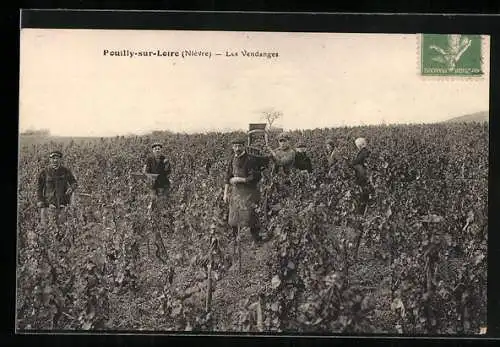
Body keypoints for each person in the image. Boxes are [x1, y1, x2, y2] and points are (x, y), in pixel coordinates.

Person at [224, 137, 263, 244]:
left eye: (239, 146)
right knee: (233, 216)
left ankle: (256, 238)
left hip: (249, 192)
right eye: (235, 146)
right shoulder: (232, 159)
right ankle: (235, 238)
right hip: (236, 192)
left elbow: (255, 177)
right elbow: (227, 177)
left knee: (251, 216)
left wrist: (239, 179)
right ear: (232, 147)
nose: (237, 148)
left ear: (243, 146)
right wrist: (225, 193)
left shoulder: (250, 160)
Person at [37, 150, 78, 228]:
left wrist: (71, 188)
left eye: (57, 158)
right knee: (46, 228)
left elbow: (74, 182)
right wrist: (40, 201)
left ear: (60, 160)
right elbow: (39, 188)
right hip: (48, 205)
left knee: (62, 227)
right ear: (50, 160)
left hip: (63, 204)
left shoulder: (65, 171)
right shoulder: (44, 172)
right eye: (53, 158)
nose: (55, 160)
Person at [143, 142, 172, 212]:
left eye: (159, 149)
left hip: (162, 182)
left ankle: (162, 213)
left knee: (162, 200)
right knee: (153, 199)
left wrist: (166, 166)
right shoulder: (149, 159)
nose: (157, 150)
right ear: (153, 151)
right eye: (155, 149)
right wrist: (149, 177)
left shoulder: (165, 159)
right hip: (152, 183)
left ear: (161, 150)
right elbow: (145, 171)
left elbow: (168, 172)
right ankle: (151, 213)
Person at [350, 137, 373, 214]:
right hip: (364, 174)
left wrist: (349, 163)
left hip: (362, 175)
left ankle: (361, 211)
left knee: (363, 193)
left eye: (357, 145)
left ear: (359, 145)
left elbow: (357, 161)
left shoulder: (363, 152)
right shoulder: (366, 151)